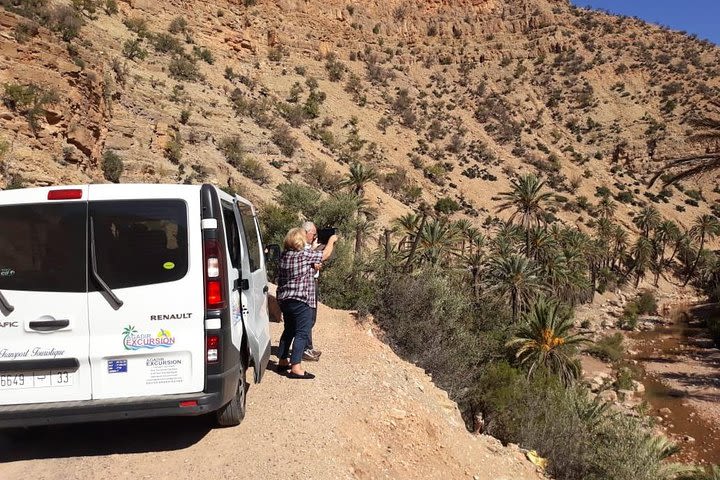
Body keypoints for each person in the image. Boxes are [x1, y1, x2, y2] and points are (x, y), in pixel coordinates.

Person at [276, 227, 338, 379]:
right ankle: (296, 367)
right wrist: (331, 241)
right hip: (301, 299)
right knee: (302, 332)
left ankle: (283, 361)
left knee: (289, 329)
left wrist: (311, 266)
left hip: (285, 299)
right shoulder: (303, 254)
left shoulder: (285, 255)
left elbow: (298, 272)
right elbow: (324, 254)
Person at [302, 221, 323, 362]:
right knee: (307, 317)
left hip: (312, 283)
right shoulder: (302, 247)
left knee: (311, 317)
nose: (315, 237)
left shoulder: (307, 247)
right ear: (307, 233)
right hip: (306, 285)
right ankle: (305, 349)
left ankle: (308, 346)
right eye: (313, 234)